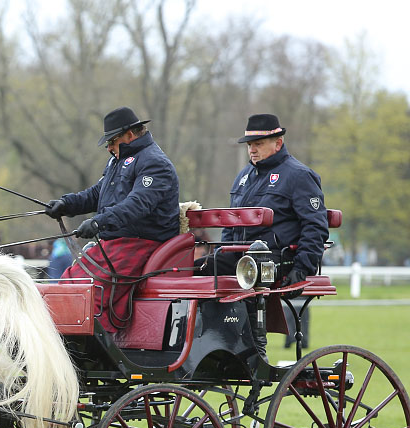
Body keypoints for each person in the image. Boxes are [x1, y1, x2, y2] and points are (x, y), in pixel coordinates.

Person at [202, 114, 329, 361]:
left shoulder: (299, 176)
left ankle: (252, 352)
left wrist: (303, 267)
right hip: (241, 257)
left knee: (248, 267)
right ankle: (214, 343)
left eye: (258, 144)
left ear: (277, 143)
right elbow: (231, 222)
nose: (252, 150)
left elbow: (315, 226)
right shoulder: (244, 177)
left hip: (276, 258)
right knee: (200, 268)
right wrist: (222, 250)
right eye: (250, 145)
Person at [45, 106, 180, 332]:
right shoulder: (117, 160)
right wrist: (66, 204)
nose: (108, 147)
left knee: (88, 296)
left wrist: (100, 221)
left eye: (112, 141)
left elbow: (138, 204)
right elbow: (97, 194)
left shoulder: (155, 163)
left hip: (141, 242)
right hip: (115, 243)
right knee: (69, 283)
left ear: (130, 134)